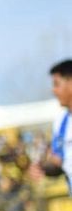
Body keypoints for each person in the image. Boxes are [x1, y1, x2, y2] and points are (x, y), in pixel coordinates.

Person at [32, 60, 72, 194]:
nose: (53, 90)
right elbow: (58, 162)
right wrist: (42, 168)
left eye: (56, 84)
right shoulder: (62, 122)